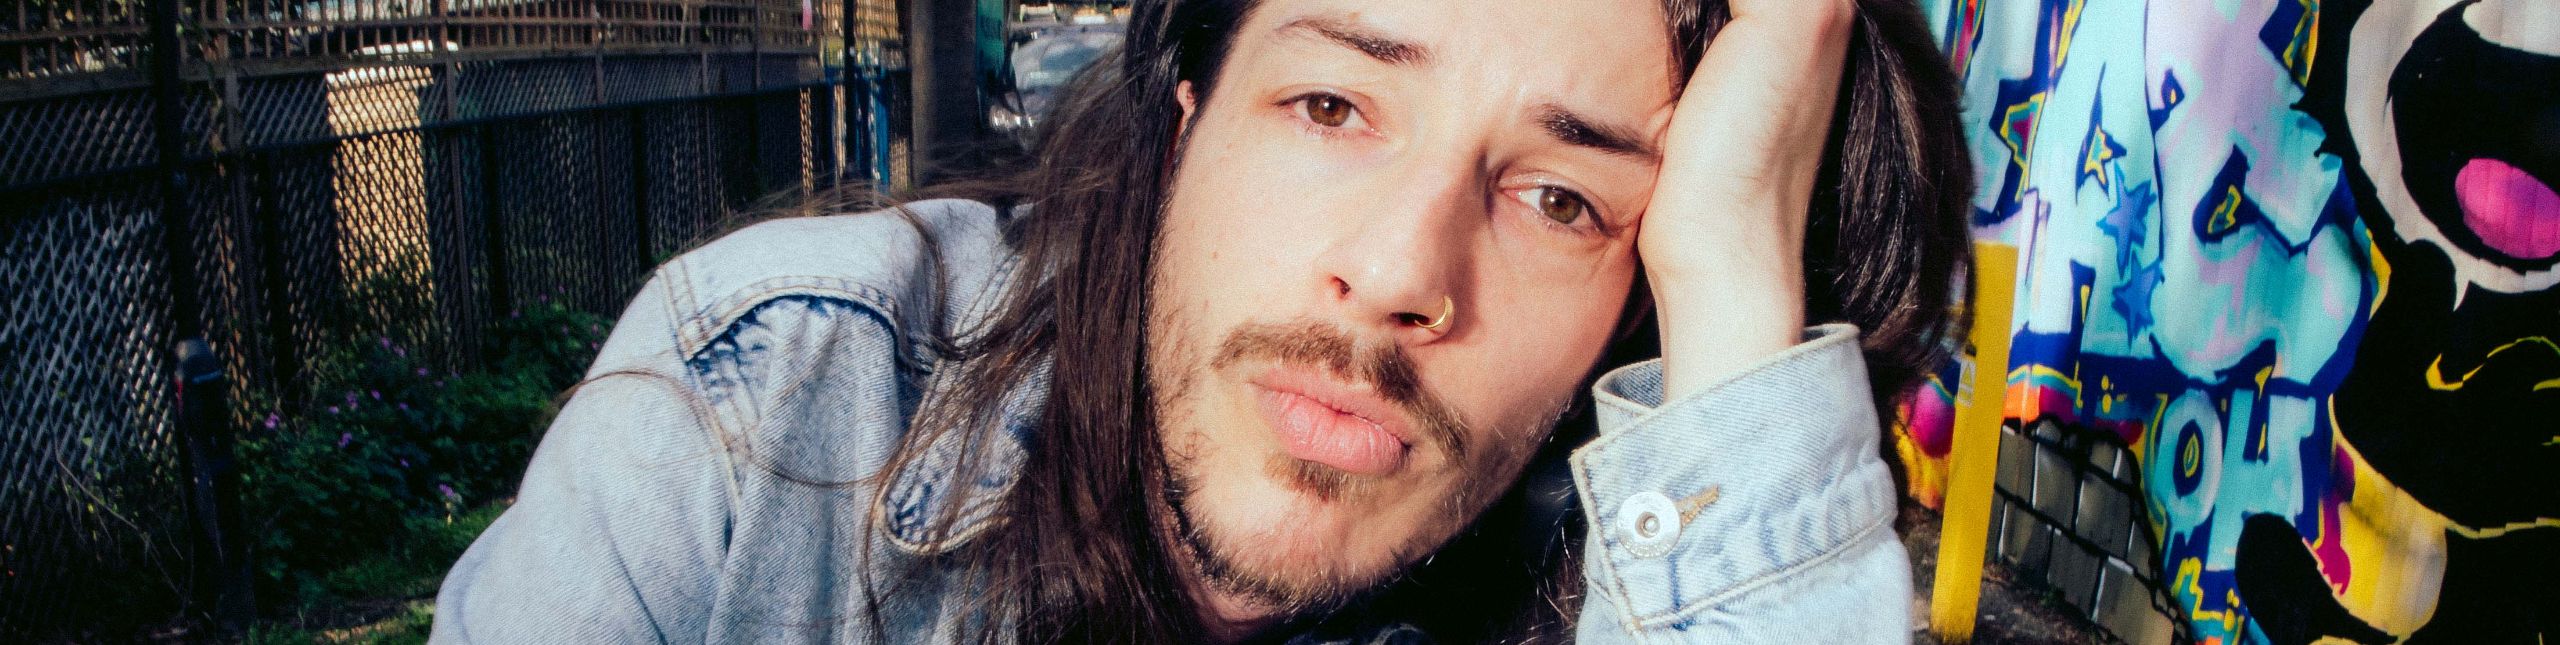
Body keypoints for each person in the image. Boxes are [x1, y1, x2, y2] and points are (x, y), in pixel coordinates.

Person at [430, 0, 1972, 641]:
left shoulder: (1616, 568)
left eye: (1564, 198)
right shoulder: (765, 402)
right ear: (1186, 115)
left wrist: (1735, 300)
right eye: (1332, 106)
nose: (1398, 271)